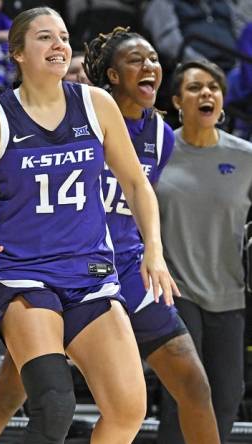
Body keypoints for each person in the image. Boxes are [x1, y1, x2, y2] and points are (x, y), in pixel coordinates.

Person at [0, 27, 221, 444]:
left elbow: (140, 190)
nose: (150, 66)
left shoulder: (158, 135)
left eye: (154, 59)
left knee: (187, 384)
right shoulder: (65, 114)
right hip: (45, 265)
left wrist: (154, 249)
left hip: (123, 269)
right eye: (137, 60)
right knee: (19, 393)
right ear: (112, 75)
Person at [156, 59, 252, 444]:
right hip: (174, 292)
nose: (206, 93)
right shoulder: (158, 152)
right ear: (178, 100)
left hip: (229, 291)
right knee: (185, 391)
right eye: (195, 87)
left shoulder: (245, 157)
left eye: (213, 87)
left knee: (228, 396)